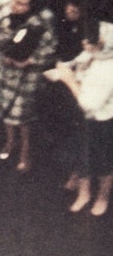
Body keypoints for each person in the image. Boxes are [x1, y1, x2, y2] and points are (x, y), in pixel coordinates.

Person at [0, 0, 58, 174]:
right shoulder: (5, 7)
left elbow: (50, 48)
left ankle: (25, 152)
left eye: (21, 4)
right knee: (4, 107)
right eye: (15, 0)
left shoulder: (44, 19)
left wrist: (30, 61)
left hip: (27, 75)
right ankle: (10, 141)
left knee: (22, 114)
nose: (15, 6)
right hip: (4, 67)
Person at [46, 20, 113, 215]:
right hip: (83, 117)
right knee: (81, 152)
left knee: (104, 161)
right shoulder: (96, 46)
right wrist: (62, 69)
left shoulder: (108, 68)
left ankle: (102, 196)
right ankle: (84, 192)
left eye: (90, 42)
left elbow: (89, 104)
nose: (84, 44)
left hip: (102, 121)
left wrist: (67, 79)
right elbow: (77, 61)